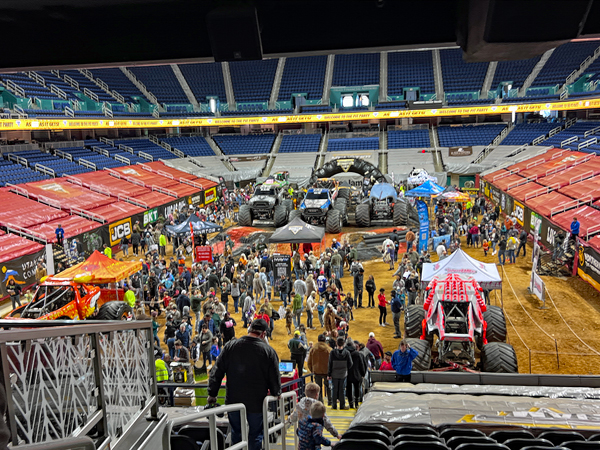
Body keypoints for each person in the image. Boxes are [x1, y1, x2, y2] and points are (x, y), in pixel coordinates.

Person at [208, 319, 281, 450]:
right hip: (257, 403)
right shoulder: (268, 351)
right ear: (263, 334)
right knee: (256, 435)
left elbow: (217, 371)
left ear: (249, 329)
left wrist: (212, 394)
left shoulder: (230, 346)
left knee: (236, 433)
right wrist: (277, 392)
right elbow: (274, 377)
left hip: (233, 401)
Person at [327, 336, 353, 410]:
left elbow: (330, 364)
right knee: (342, 389)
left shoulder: (332, 352)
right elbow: (350, 364)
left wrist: (329, 374)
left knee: (334, 389)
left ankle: (334, 405)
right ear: (344, 343)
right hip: (343, 374)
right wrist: (345, 368)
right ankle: (342, 405)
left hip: (334, 373)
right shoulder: (347, 353)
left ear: (336, 343)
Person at [307, 334, 331, 404]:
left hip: (316, 371)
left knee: (318, 387)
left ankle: (320, 401)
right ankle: (330, 400)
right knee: (328, 386)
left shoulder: (313, 349)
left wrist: (312, 370)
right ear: (325, 340)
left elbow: (309, 362)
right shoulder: (329, 349)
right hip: (327, 372)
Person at [346, 338, 366, 409]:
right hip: (357, 374)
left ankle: (351, 404)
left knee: (348, 389)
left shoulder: (345, 352)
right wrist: (363, 373)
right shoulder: (357, 353)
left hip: (347, 374)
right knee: (357, 388)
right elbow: (361, 364)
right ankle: (357, 403)